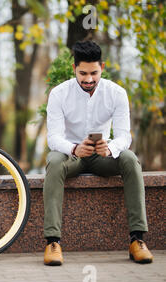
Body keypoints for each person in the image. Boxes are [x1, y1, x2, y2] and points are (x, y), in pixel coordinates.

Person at [43, 40, 153, 266]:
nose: (89, 79)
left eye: (94, 73)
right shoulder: (58, 94)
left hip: (103, 156)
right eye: (82, 73)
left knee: (131, 160)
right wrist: (74, 149)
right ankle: (53, 243)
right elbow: (53, 138)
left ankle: (137, 240)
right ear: (74, 69)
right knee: (53, 162)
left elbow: (125, 136)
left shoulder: (117, 93)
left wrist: (110, 148)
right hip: (71, 155)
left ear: (102, 67)